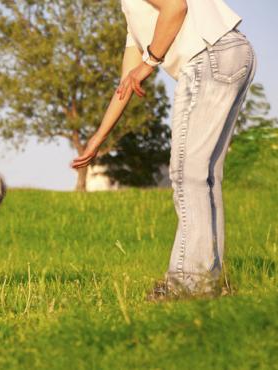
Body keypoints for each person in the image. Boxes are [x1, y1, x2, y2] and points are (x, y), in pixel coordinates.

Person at [72, 0, 256, 298]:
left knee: (187, 174)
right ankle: (209, 282)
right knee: (206, 177)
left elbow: (175, 7)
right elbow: (126, 84)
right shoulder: (133, 14)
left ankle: (187, 282)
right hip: (234, 54)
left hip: (208, 56)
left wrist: (149, 63)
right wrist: (96, 139)